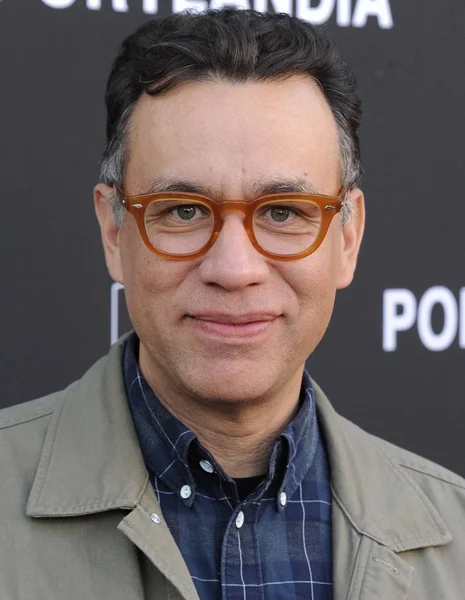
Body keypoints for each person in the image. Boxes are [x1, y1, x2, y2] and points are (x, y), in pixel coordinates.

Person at [1, 8, 464, 600]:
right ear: (115, 233)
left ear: (347, 238)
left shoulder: (457, 538)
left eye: (282, 213)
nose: (234, 269)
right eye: (185, 210)